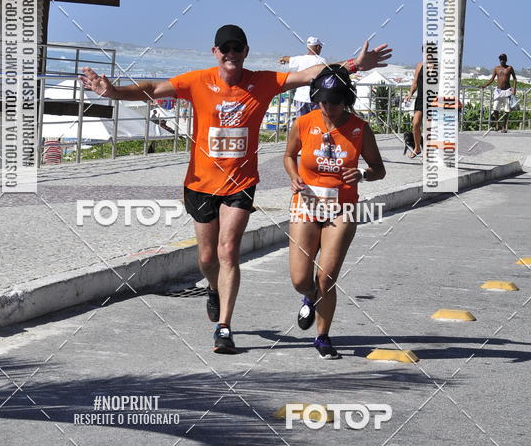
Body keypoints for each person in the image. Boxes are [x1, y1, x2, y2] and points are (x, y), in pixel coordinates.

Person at [80, 25, 392, 354]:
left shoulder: (262, 82)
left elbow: (309, 74)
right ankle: (213, 288)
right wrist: (113, 91)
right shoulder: (196, 81)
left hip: (240, 184)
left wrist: (354, 65)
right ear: (215, 52)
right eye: (224, 48)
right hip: (200, 183)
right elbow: (154, 87)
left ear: (245, 52)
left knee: (228, 251)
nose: (231, 53)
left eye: (237, 48)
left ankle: (224, 328)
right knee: (206, 257)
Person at [284, 65, 386, 359]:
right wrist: (293, 176)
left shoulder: (359, 129)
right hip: (306, 204)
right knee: (300, 279)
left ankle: (322, 336)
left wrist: (364, 175)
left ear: (347, 101)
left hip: (341, 209)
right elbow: (289, 155)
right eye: (324, 101)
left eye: (335, 102)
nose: (328, 107)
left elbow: (379, 169)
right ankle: (309, 296)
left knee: (326, 278)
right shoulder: (304, 123)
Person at [279, 36, 326, 117]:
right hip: (316, 98)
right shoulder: (322, 61)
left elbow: (287, 59)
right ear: (317, 47)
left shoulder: (300, 59)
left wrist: (282, 59)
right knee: (316, 124)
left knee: (301, 124)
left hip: (300, 98)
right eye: (320, 47)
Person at [482, 54, 518, 132]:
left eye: (503, 59)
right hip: (498, 91)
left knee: (507, 109)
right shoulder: (496, 68)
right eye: (501, 59)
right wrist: (484, 85)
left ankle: (504, 127)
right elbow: (492, 79)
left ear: (506, 60)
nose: (502, 61)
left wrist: (514, 89)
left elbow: (515, 79)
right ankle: (497, 124)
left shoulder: (509, 68)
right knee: (495, 108)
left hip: (507, 91)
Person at [405, 55, 424, 158]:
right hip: (421, 98)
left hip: (433, 99)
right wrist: (410, 94)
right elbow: (415, 83)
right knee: (415, 123)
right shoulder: (420, 65)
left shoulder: (438, 66)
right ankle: (417, 148)